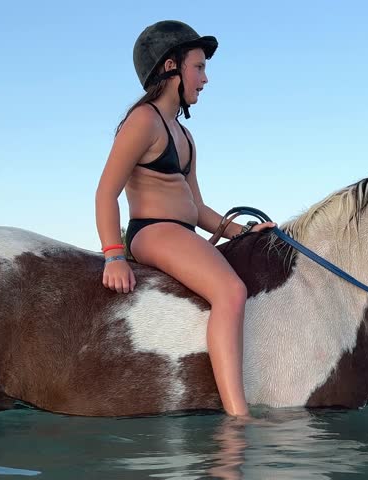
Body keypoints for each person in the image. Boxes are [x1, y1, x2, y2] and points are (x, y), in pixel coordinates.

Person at [95, 20, 275, 417]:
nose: (205, 79)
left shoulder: (186, 135)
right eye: (199, 67)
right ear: (170, 68)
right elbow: (106, 192)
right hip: (153, 231)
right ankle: (238, 416)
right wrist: (113, 254)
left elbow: (198, 208)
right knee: (230, 291)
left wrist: (244, 232)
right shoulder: (143, 121)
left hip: (182, 230)